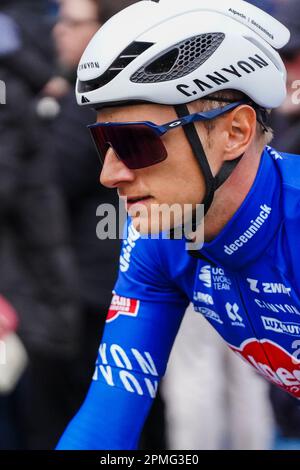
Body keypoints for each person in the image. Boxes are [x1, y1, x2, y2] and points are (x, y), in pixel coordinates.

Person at [56, 0, 299, 450]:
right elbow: (106, 418)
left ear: (234, 133)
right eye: (104, 141)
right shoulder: (160, 235)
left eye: (135, 142)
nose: (110, 175)